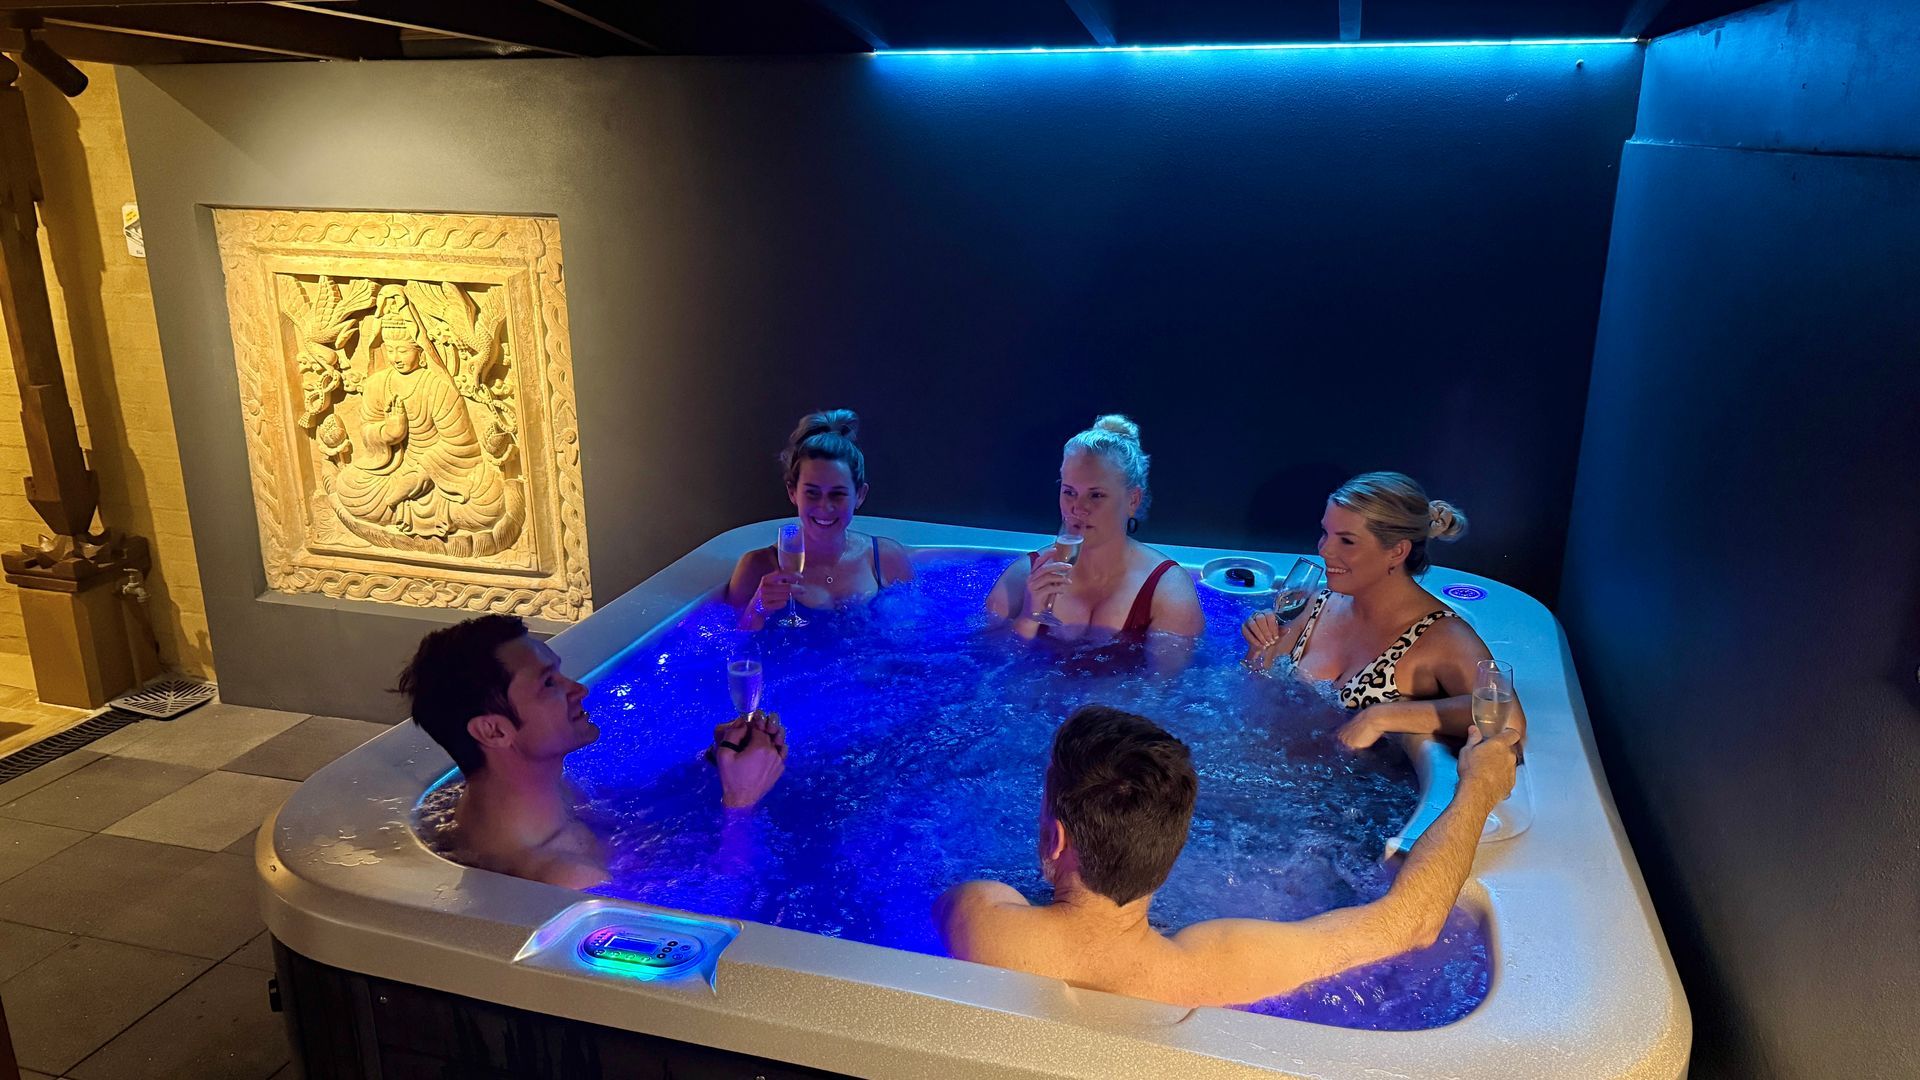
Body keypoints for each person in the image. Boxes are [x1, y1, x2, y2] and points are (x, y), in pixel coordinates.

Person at [936, 705, 1519, 1008]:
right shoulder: (1218, 970)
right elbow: (1411, 924)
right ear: (1176, 844)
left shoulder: (979, 918)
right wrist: (1478, 789)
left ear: (1057, 839)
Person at [397, 614, 789, 888]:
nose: (578, 689)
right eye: (549, 683)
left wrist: (711, 765)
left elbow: (629, 826)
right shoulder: (566, 877)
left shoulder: (525, 795)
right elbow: (722, 910)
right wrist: (741, 805)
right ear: (494, 730)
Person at [1240, 472, 1526, 749]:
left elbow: (1507, 718)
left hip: (1356, 789)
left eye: (1347, 540)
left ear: (1397, 551)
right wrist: (1257, 646)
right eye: (1325, 533)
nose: (1325, 550)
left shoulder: (1440, 636)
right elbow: (1256, 691)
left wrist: (1379, 717)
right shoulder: (1315, 604)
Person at [985, 415, 1203, 650]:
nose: (1078, 508)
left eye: (1096, 495)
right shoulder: (1021, 579)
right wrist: (1029, 617)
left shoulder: (1168, 592)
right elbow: (986, 672)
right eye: (1069, 492)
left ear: (1133, 500)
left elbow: (1165, 686)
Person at [729, 409, 913, 630]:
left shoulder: (886, 559)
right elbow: (727, 654)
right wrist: (757, 608)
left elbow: (918, 636)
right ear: (792, 492)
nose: (825, 507)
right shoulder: (757, 567)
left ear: (860, 495)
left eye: (837, 494)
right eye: (812, 493)